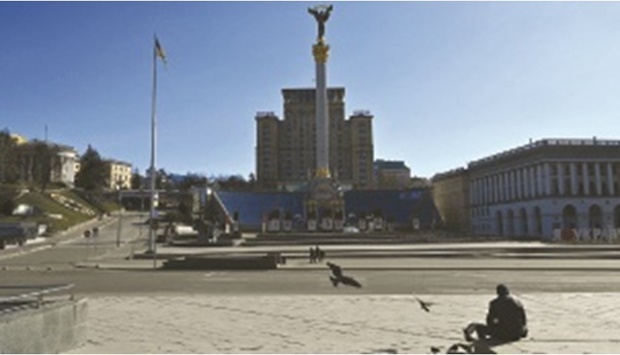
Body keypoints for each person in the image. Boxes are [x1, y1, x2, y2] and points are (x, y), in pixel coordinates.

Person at [463, 284, 528, 343]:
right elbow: (524, 320)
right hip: (517, 333)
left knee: (478, 327)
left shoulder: (494, 303)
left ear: (498, 293)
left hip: (503, 334)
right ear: (508, 292)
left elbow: (490, 320)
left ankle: (483, 341)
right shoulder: (518, 303)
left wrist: (495, 326)